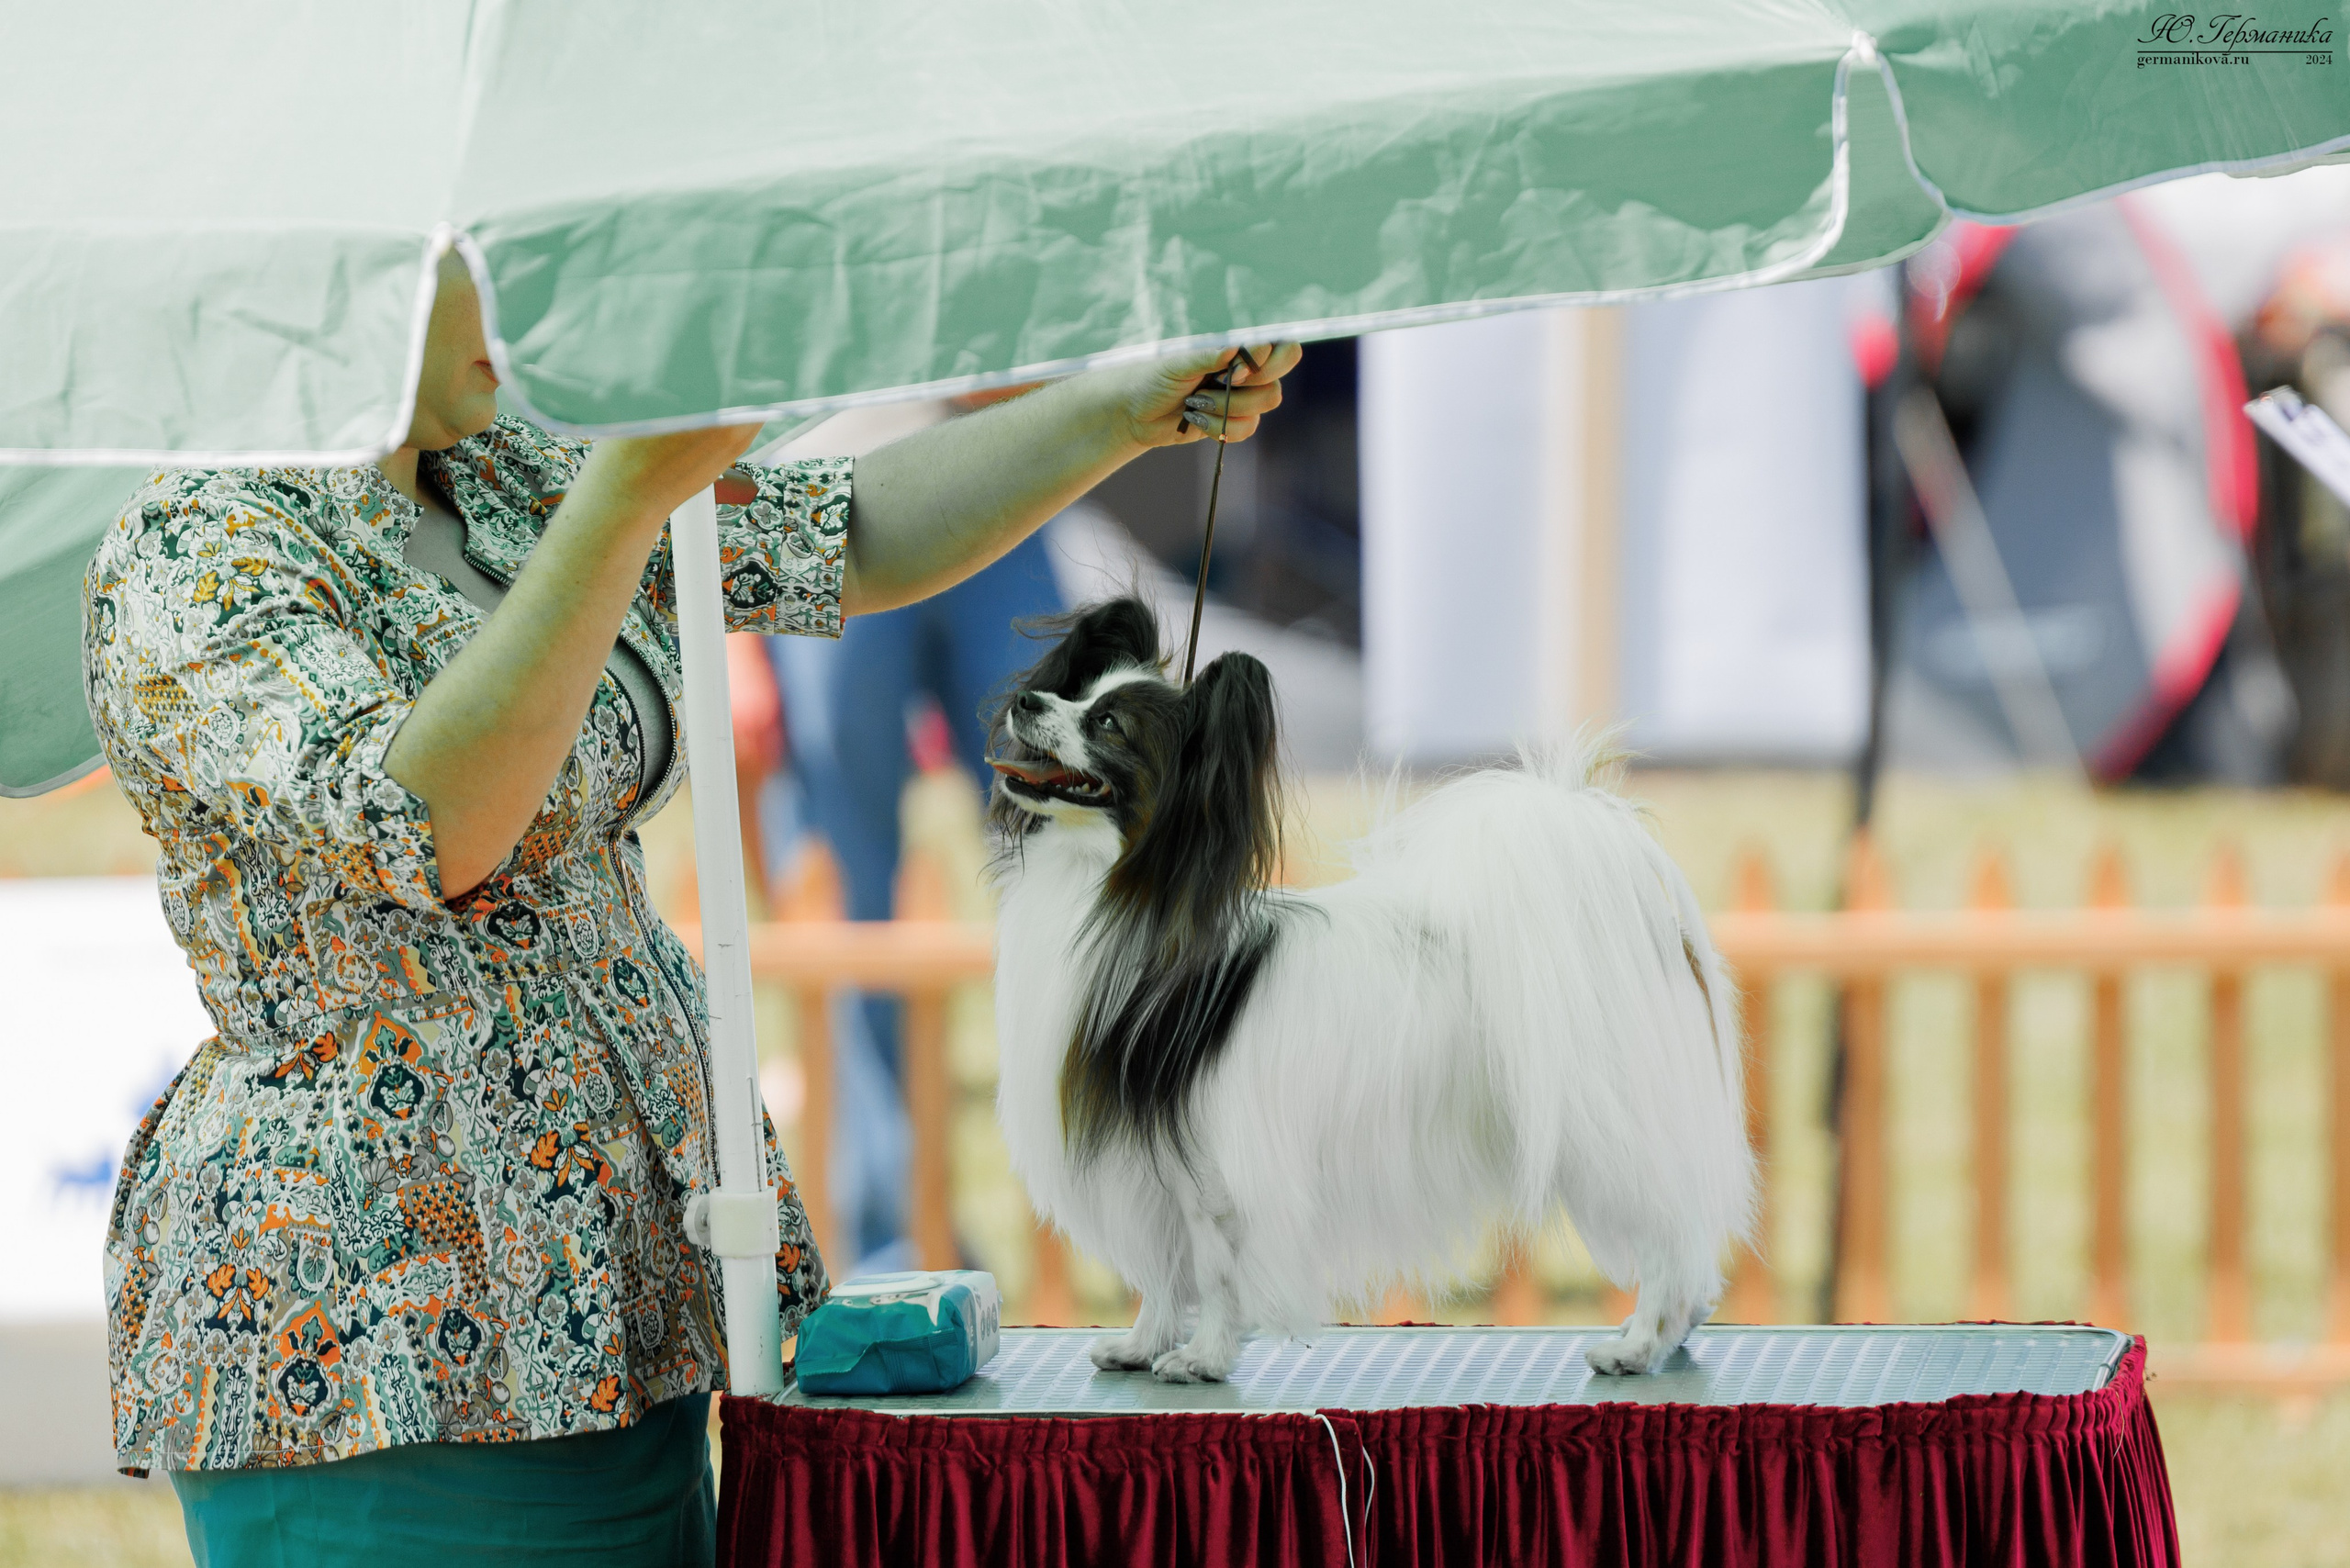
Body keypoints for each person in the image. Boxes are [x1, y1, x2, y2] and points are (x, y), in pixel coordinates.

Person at [82, 246, 1297, 1567]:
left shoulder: (497, 479)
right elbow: (428, 825)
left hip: (614, 1316)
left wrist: (1123, 407)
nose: (521, 302)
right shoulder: (196, 546)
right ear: (337, 270)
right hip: (381, 1345)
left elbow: (847, 534)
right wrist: (620, 506)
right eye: (472, 260)